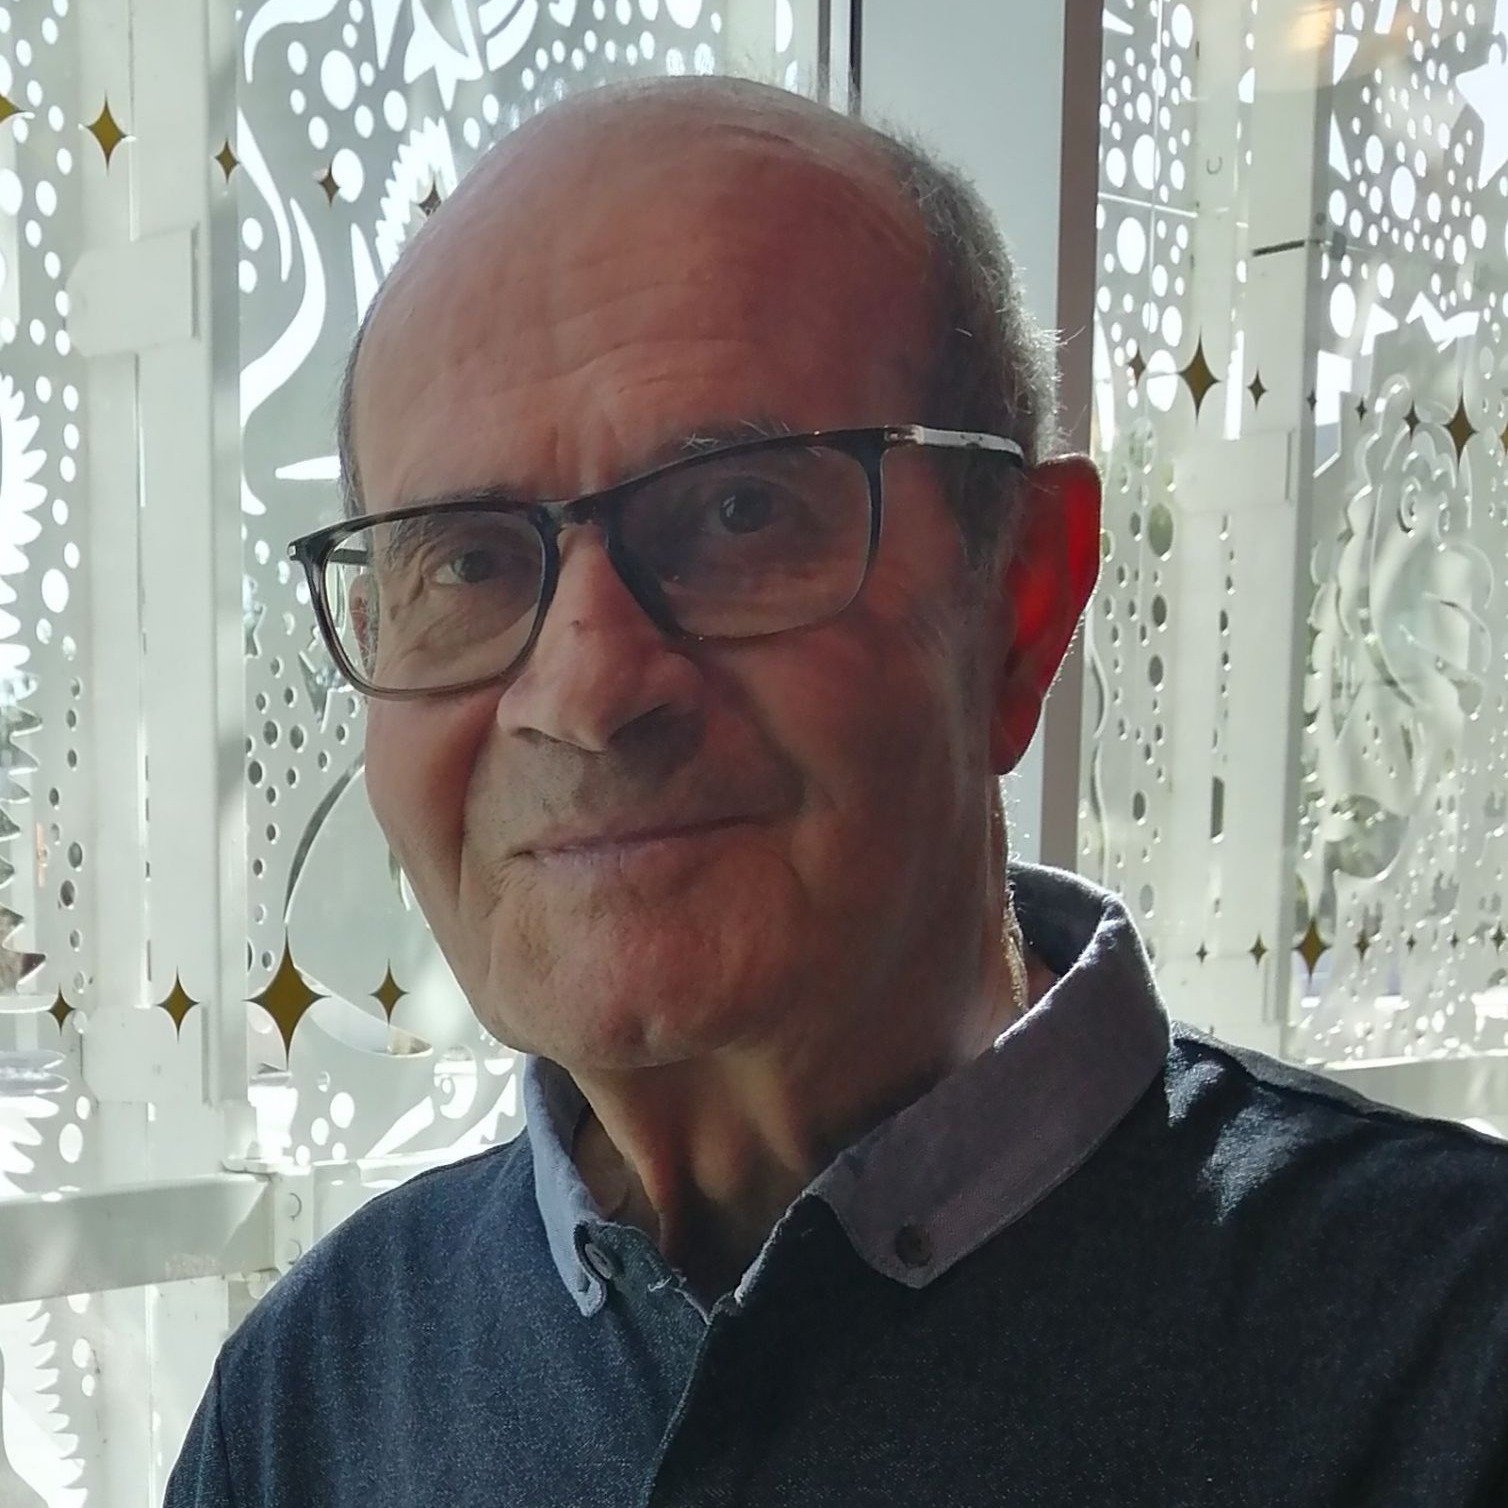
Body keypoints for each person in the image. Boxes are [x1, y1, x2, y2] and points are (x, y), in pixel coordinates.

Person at [167, 77, 1508, 1507]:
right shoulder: (312, 1392)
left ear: (1022, 600)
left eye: (741, 512)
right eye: (468, 563)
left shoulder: (1447, 1359)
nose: (585, 693)